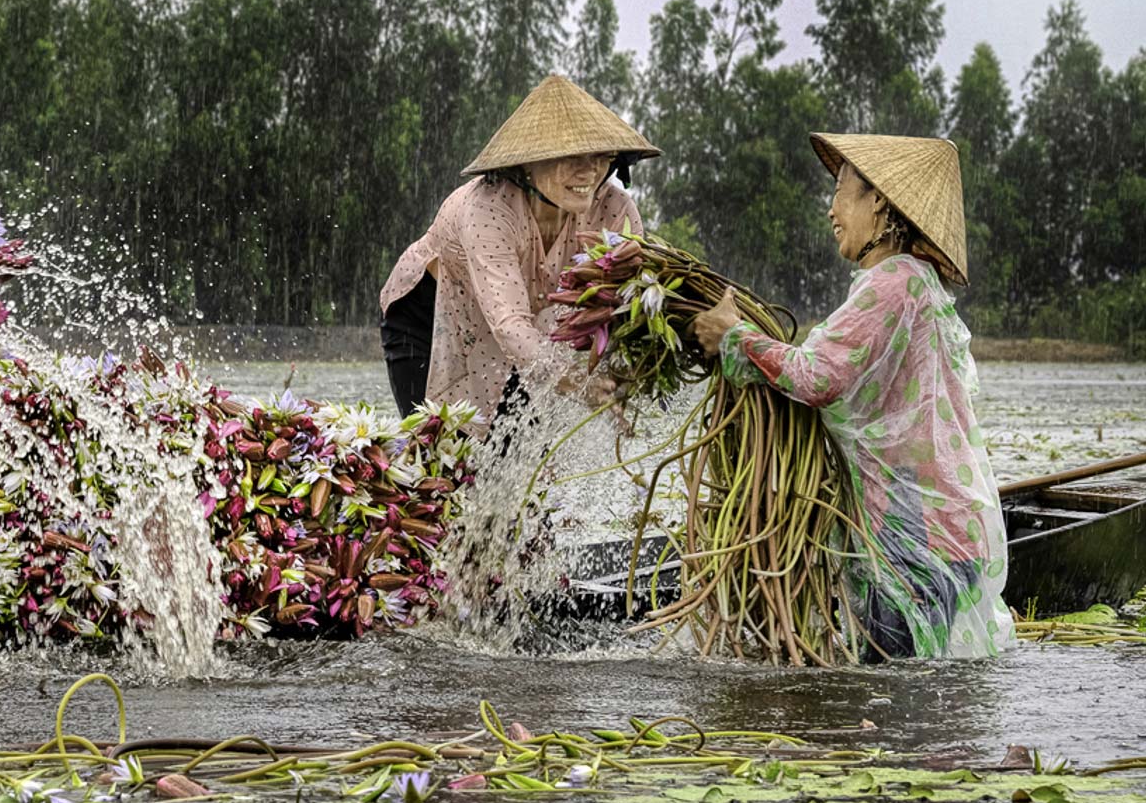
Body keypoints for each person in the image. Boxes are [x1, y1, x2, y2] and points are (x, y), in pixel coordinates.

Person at [690, 134, 1015, 661]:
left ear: (879, 202)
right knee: (914, 701)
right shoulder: (913, 282)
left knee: (895, 699)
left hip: (917, 532)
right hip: (934, 524)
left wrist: (735, 336)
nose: (832, 209)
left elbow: (818, 377)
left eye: (842, 191)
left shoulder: (893, 283)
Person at [379, 75, 660, 428]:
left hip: (524, 330)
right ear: (529, 162)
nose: (588, 170)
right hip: (431, 316)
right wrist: (578, 384)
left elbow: (635, 295)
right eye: (572, 156)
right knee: (440, 453)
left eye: (600, 155)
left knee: (523, 460)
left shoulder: (614, 210)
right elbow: (510, 325)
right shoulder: (488, 210)